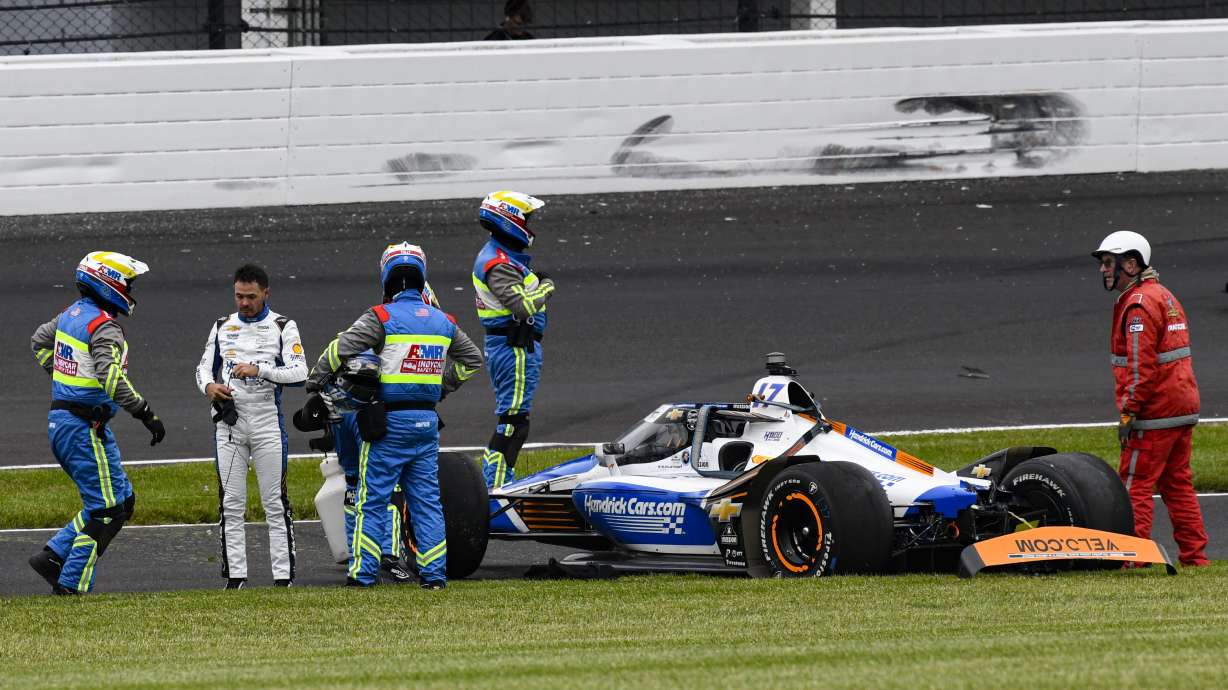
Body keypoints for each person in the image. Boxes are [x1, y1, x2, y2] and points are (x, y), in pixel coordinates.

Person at [307, 243, 482, 588]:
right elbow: (472, 360)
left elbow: (339, 349)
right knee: (427, 503)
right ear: (421, 276)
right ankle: (434, 576)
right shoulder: (444, 322)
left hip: (387, 425)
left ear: (387, 277)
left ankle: (363, 574)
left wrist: (315, 381)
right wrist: (442, 386)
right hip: (426, 423)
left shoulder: (381, 316)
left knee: (371, 500)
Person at [27, 251, 166, 595]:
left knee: (123, 500)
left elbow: (39, 341)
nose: (131, 292)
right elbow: (111, 379)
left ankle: (52, 556)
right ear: (109, 283)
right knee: (109, 510)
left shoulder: (71, 314)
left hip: (71, 423)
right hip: (81, 428)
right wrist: (146, 413)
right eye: (128, 284)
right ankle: (71, 584)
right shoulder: (104, 327)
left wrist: (64, 379)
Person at [1093, 230, 1209, 567]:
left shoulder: (1138, 305)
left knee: (1135, 485)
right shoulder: (1164, 295)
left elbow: (1139, 367)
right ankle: (1195, 558)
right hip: (1181, 407)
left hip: (1155, 413)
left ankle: (1134, 559)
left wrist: (1129, 412)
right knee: (1178, 485)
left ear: (1131, 264)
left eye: (1109, 262)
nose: (1103, 269)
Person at [194, 264, 307, 589]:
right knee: (231, 503)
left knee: (274, 502)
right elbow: (202, 368)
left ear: (265, 294)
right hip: (229, 425)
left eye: (251, 297)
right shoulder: (221, 325)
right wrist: (209, 387)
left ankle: (283, 578)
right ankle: (235, 577)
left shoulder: (283, 325)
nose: (244, 303)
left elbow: (301, 372)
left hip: (267, 424)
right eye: (239, 296)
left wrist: (260, 370)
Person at [472, 190, 556, 488]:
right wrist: (546, 287)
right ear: (510, 221)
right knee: (513, 423)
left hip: (515, 345)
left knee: (515, 420)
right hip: (513, 348)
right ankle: (495, 487)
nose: (530, 226)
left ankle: (498, 482)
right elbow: (522, 306)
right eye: (527, 219)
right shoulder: (498, 263)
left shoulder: (502, 256)